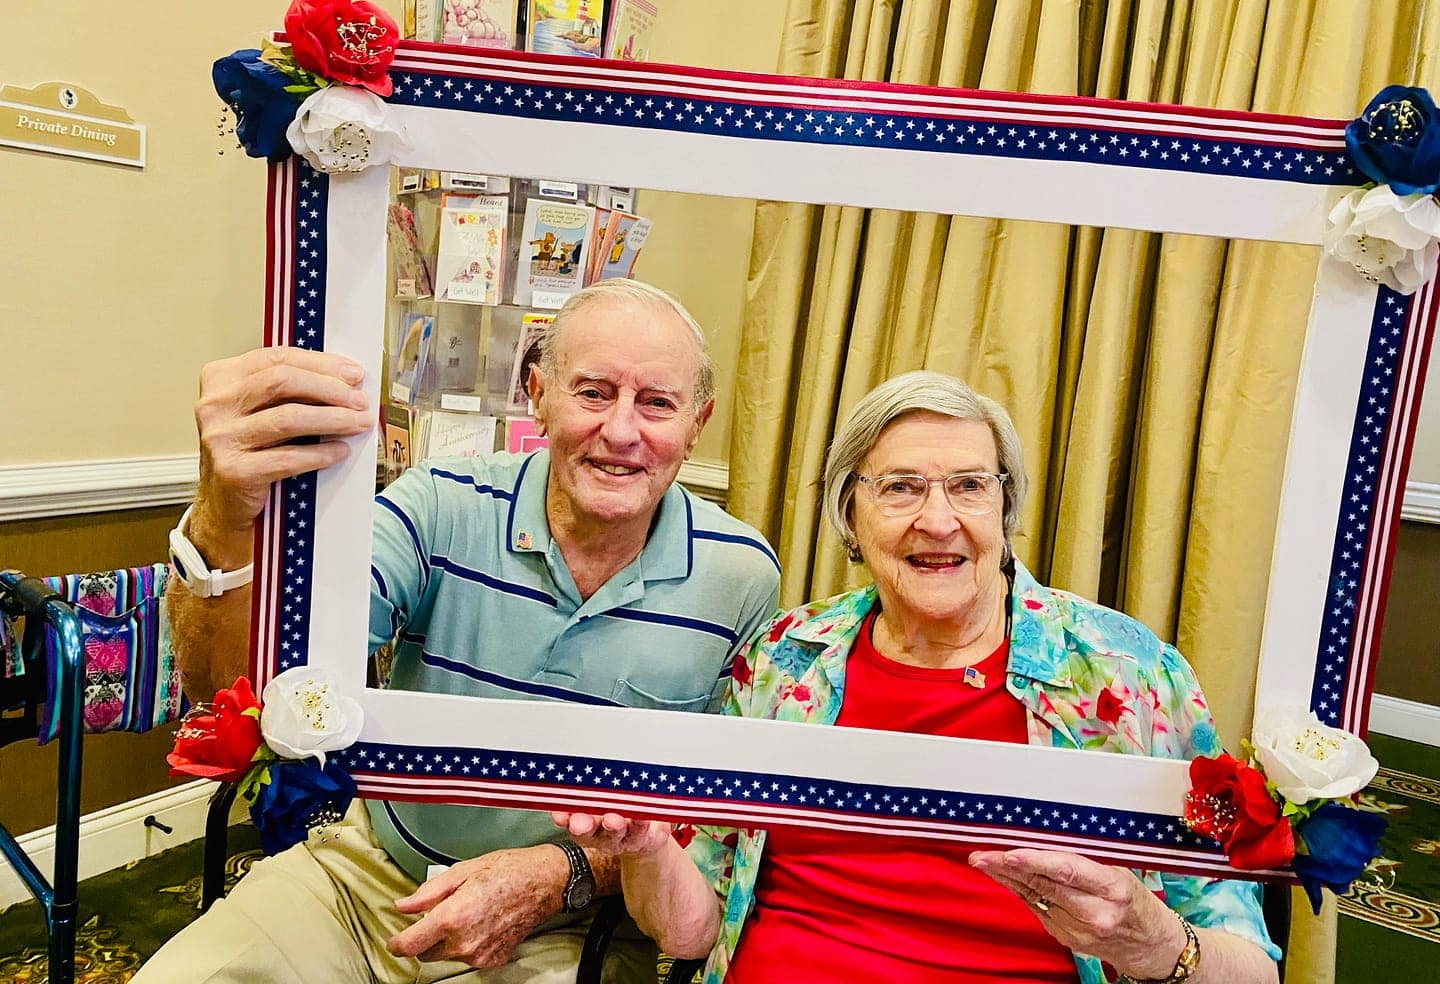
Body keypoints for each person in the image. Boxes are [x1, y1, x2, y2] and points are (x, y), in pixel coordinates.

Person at [138, 279, 782, 983]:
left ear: (699, 422)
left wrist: (554, 874)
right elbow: (244, 691)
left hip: (569, 923)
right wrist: (224, 517)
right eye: (593, 392)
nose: (623, 431)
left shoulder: (741, 578)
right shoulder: (441, 503)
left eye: (657, 402)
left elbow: (709, 818)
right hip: (367, 878)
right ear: (537, 392)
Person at [555, 371, 1283, 984]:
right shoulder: (784, 658)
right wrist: (647, 847)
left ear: (1004, 507)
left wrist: (1152, 943)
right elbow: (689, 933)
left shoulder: (1128, 675)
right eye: (900, 488)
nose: (938, 521)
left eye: (969, 486)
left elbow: (1251, 967)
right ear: (851, 513)